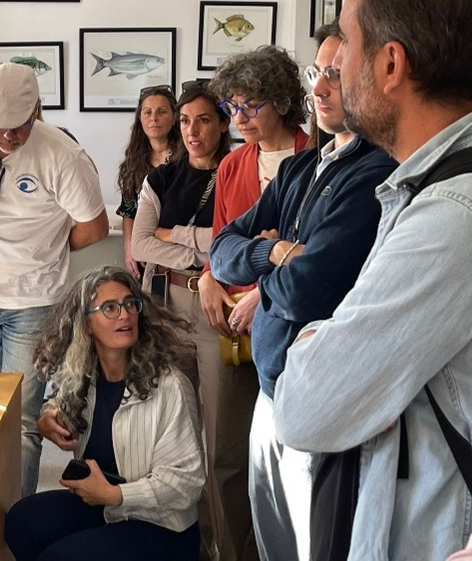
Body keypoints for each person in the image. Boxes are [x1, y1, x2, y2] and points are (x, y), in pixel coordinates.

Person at [272, 0, 472, 560]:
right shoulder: (443, 185)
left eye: (346, 46)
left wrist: (315, 337)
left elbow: (307, 407)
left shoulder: (456, 218)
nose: (335, 68)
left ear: (391, 64)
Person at [209, 22, 397, 561]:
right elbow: (221, 248)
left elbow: (307, 289)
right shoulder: (301, 168)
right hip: (271, 386)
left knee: (312, 545)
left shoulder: (376, 172)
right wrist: (273, 252)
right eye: (318, 71)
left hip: (318, 395)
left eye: (336, 73)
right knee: (273, 541)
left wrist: (270, 272)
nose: (321, 87)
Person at [0, 62, 108, 497]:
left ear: (37, 109)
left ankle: (15, 520)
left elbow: (93, 227)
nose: (8, 136)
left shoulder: (63, 155)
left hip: (31, 303)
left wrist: (42, 249)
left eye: (18, 126)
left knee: (19, 422)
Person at [195, 45, 310, 561]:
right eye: (232, 107)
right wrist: (208, 279)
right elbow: (222, 245)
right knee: (226, 452)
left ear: (282, 101)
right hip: (230, 324)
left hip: (288, 324)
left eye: (250, 106)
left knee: (288, 452)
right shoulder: (233, 164)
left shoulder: (316, 156)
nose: (239, 119)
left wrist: (260, 284)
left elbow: (314, 256)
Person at [5, 266, 205, 561]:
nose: (124, 315)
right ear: (87, 324)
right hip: (103, 507)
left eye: (130, 304)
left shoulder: (170, 386)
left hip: (160, 525)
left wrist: (115, 495)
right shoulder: (83, 374)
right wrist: (47, 419)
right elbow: (57, 403)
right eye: (110, 308)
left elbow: (186, 483)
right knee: (22, 522)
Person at [129, 84, 230, 560]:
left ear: (222, 124)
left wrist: (176, 235)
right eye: (186, 120)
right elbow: (141, 244)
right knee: (176, 428)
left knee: (219, 434)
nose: (192, 130)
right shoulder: (162, 178)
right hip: (168, 306)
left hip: (216, 307)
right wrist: (201, 244)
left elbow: (239, 240)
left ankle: (222, 544)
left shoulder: (236, 171)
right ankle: (184, 541)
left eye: (203, 120)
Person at [115, 86, 181, 278]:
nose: (154, 118)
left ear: (174, 118)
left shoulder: (187, 158)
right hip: (144, 253)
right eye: (148, 112)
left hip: (178, 251)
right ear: (140, 118)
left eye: (162, 111)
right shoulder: (133, 162)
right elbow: (129, 211)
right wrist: (129, 247)